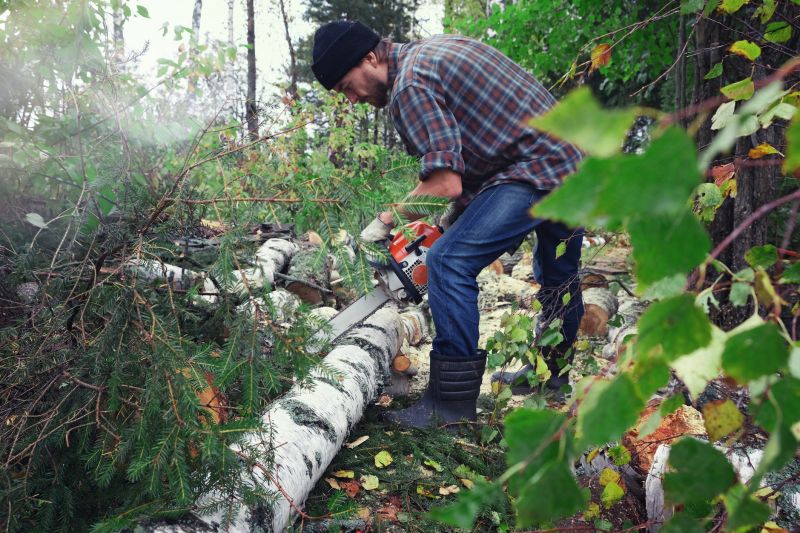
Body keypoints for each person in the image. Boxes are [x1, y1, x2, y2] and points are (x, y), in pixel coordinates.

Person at [312, 21, 585, 428]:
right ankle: (553, 379)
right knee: (558, 276)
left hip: (534, 170)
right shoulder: (430, 53)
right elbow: (480, 145)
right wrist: (453, 215)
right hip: (571, 161)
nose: (352, 99)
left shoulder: (408, 87)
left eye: (348, 86)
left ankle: (450, 406)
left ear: (370, 58)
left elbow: (444, 182)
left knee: (447, 262)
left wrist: (387, 221)